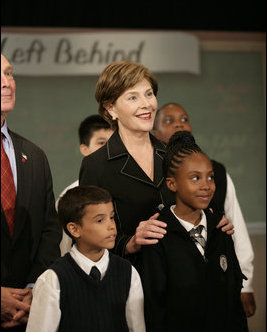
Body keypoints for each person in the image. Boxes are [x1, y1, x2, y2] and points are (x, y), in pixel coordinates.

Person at [79, 61, 233, 269]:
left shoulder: (175, 155)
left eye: (149, 94)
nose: (146, 104)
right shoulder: (96, 165)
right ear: (111, 108)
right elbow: (86, 237)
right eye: (133, 97)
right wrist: (130, 243)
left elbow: (199, 209)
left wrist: (215, 222)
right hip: (131, 279)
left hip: (186, 277)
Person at [140, 131, 253, 332]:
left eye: (210, 177)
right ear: (172, 184)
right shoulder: (158, 237)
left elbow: (233, 303)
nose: (206, 185)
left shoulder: (221, 230)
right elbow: (155, 315)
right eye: (195, 178)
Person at [22, 185, 146, 332]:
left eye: (112, 217)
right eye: (100, 220)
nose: (111, 226)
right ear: (74, 229)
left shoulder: (127, 272)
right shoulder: (52, 279)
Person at [152, 102, 256, 317]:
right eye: (169, 121)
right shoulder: (151, 174)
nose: (179, 125)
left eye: (184, 119)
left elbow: (236, 226)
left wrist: (246, 283)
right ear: (154, 132)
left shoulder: (217, 171)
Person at [1, 53, 61, 332]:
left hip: (28, 322)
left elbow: (49, 230)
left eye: (9, 73)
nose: (6, 82)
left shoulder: (35, 156)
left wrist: (33, 289)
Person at [56, 114, 114, 255]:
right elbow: (64, 247)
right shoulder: (69, 196)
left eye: (113, 143)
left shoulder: (127, 186)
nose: (109, 150)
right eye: (101, 143)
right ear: (84, 149)